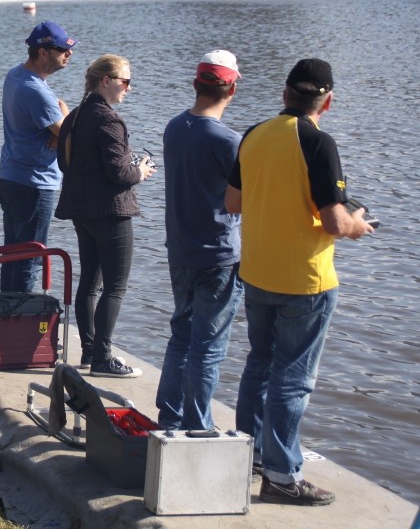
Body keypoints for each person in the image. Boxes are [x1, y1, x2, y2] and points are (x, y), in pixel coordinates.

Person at [225, 58, 375, 506]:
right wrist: (358, 224)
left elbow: (232, 201)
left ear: (284, 93)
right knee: (293, 378)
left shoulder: (254, 134)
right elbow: (332, 222)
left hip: (256, 271)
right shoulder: (318, 142)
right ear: (326, 102)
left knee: (259, 364)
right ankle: (282, 475)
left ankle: (249, 453)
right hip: (305, 280)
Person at [155, 50, 244, 429]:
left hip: (180, 250)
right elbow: (245, 200)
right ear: (232, 90)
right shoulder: (229, 141)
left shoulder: (175, 126)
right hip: (218, 255)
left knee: (181, 336)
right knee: (208, 347)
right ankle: (198, 427)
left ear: (196, 85)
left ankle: (170, 420)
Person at [54, 54, 154, 377]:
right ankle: (103, 358)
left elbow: (64, 163)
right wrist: (139, 170)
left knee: (90, 282)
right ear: (106, 81)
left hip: (81, 211)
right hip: (111, 214)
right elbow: (119, 174)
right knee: (115, 287)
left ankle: (88, 350)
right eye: (126, 82)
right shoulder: (109, 120)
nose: (129, 88)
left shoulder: (75, 117)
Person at [0, 21, 77, 293]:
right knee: (29, 259)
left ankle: (5, 318)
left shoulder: (15, 75)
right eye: (62, 49)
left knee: (12, 255)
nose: (69, 54)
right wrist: (64, 119)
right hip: (33, 183)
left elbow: (61, 128)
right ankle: (19, 323)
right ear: (43, 52)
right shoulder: (36, 90)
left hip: (11, 176)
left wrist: (60, 124)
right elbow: (71, 136)